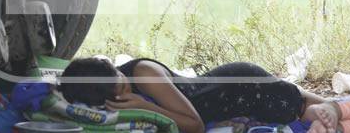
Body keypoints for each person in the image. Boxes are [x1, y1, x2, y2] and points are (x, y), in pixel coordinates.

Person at [59, 57, 327, 133]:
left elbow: (194, 125)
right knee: (298, 97)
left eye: (121, 85)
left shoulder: (143, 74)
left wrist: (146, 107)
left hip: (240, 89)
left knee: (312, 110)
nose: (123, 95)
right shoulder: (99, 92)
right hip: (225, 91)